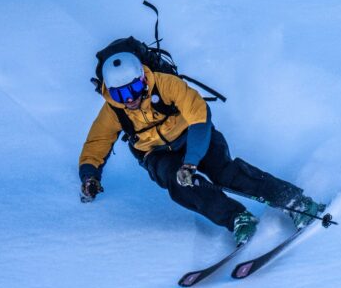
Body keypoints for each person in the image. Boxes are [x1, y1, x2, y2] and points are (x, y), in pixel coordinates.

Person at [78, 51, 325, 245]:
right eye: (120, 94)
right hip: (156, 153)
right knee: (180, 185)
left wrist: (191, 161)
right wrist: (89, 175)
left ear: (143, 79)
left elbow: (199, 115)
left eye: (132, 89)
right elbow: (97, 142)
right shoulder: (113, 110)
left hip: (193, 135)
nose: (129, 99)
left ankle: (296, 202)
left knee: (225, 173)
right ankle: (237, 218)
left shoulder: (167, 85)